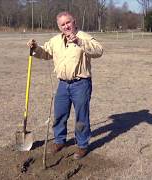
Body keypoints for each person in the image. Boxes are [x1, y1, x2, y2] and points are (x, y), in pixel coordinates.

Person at [27, 11, 103, 159]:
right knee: (59, 115)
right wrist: (35, 48)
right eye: (63, 24)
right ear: (59, 27)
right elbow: (45, 53)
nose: (66, 26)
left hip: (81, 84)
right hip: (62, 84)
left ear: (74, 21)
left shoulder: (84, 37)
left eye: (68, 22)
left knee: (81, 117)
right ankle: (59, 141)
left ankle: (82, 146)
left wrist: (79, 42)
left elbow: (99, 51)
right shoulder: (55, 41)